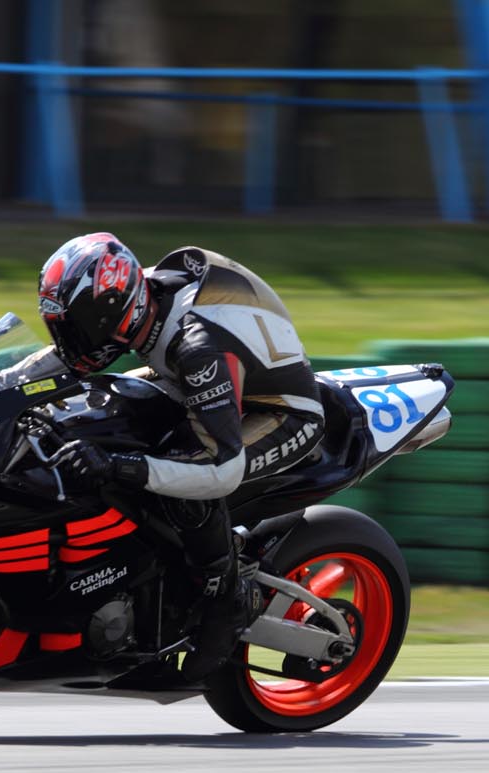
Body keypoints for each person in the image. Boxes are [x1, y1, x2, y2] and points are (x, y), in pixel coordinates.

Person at [37, 232, 325, 681]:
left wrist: (119, 468)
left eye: (77, 325)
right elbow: (61, 360)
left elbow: (220, 470)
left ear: (111, 313)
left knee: (183, 475)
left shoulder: (196, 347)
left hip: (277, 410)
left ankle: (224, 602)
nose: (69, 337)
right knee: (93, 415)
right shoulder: (137, 301)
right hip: (190, 379)